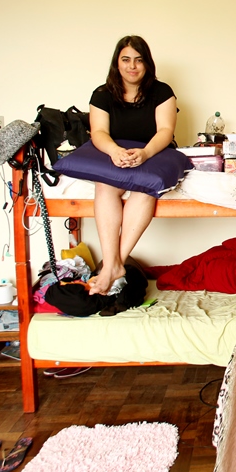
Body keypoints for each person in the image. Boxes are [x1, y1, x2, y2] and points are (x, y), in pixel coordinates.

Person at [88, 35, 177, 294]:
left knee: (144, 188)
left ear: (147, 63)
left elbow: (165, 131)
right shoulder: (102, 94)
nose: (132, 66)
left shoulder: (162, 91)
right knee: (105, 186)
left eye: (139, 60)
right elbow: (98, 133)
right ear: (117, 63)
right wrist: (115, 151)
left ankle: (114, 265)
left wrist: (146, 152)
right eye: (126, 59)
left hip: (153, 152)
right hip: (116, 153)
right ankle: (112, 264)